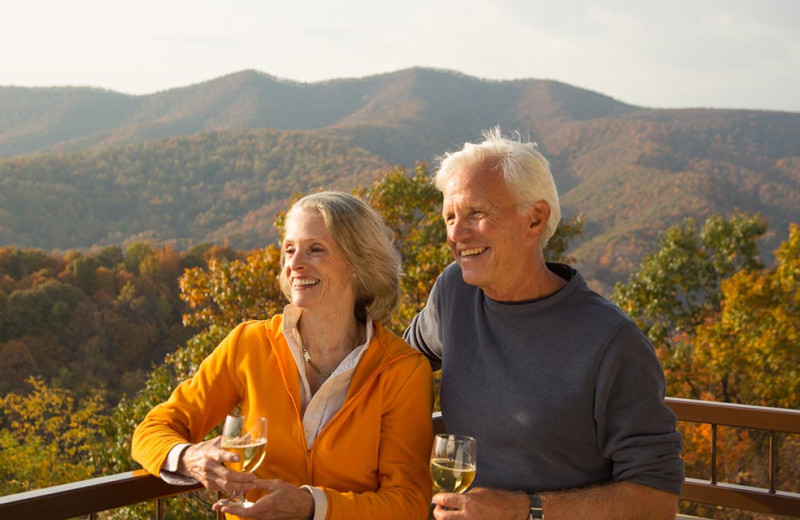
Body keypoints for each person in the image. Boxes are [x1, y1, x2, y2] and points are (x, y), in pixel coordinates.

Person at [404, 128, 684, 519]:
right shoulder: (454, 293)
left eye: (476, 213)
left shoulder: (611, 342)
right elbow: (391, 365)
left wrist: (526, 510)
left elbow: (656, 500)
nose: (456, 233)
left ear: (535, 219)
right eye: (450, 217)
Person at [132, 191, 434, 520]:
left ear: (358, 262)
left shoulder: (401, 371)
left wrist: (312, 506)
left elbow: (408, 503)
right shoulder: (249, 344)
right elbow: (151, 430)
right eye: (289, 250)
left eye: (315, 249)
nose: (294, 264)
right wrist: (187, 456)